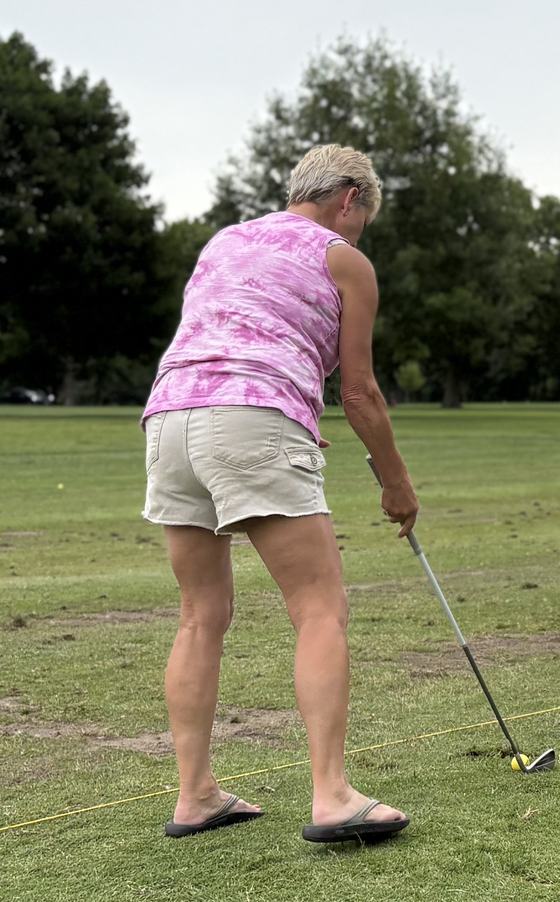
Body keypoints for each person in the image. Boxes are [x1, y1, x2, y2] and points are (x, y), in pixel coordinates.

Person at [140, 144, 420, 845]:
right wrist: (396, 483)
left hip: (170, 418)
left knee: (200, 615)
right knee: (320, 607)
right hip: (249, 418)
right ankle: (331, 795)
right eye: (361, 220)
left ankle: (196, 793)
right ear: (349, 197)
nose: (356, 236)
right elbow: (358, 389)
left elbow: (239, 335)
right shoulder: (343, 258)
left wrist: (281, 415)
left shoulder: (224, 241)